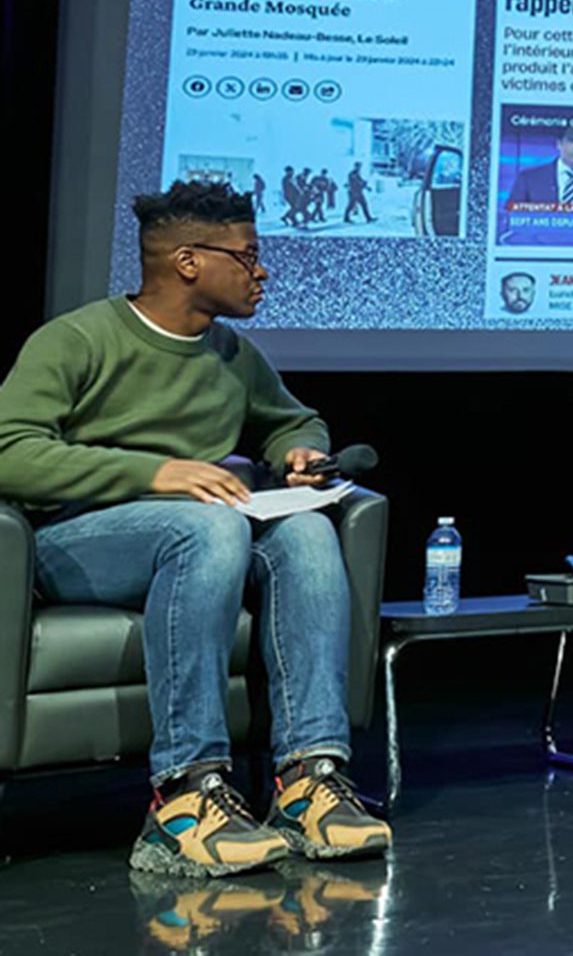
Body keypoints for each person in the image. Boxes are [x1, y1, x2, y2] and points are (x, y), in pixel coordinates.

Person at [0, 181, 391, 876]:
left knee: (305, 532)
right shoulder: (78, 340)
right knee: (206, 527)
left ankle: (308, 779)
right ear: (187, 262)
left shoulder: (232, 353)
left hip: (193, 534)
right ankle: (183, 797)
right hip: (75, 543)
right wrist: (156, 473)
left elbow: (291, 418)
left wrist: (295, 452)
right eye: (246, 256)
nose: (261, 270)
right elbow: (11, 450)